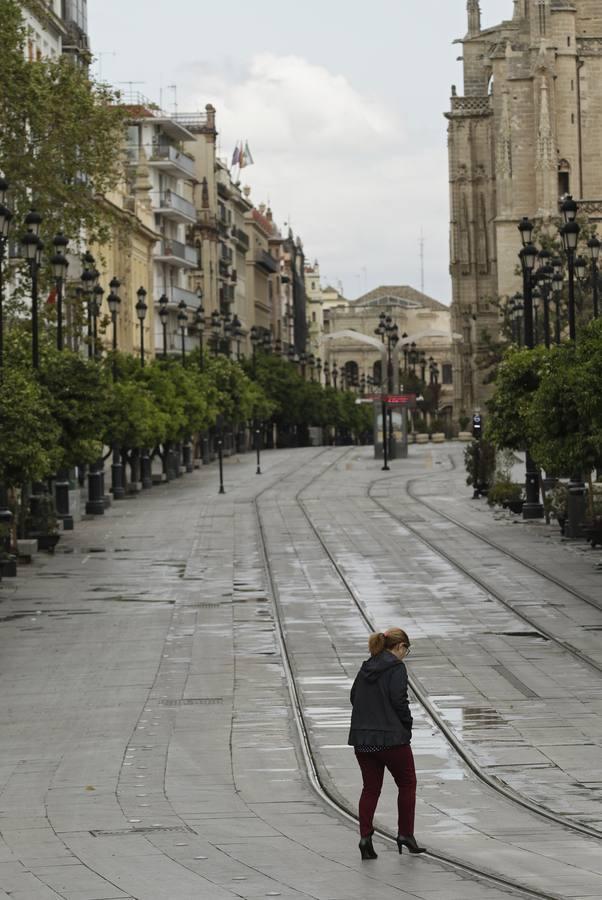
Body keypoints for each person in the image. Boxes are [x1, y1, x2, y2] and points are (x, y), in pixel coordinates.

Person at [348, 628, 425, 860]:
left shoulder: (366, 666)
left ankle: (365, 838)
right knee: (407, 783)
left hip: (363, 740)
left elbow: (353, 696)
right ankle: (405, 834)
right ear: (400, 646)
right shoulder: (396, 668)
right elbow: (399, 700)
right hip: (391, 739)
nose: (405, 656)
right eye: (406, 651)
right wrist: (406, 725)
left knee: (370, 788)